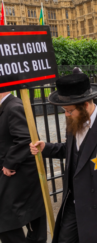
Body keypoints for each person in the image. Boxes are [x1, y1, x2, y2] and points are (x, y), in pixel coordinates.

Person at [30, 73, 97, 243]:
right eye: (65, 111)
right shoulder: (74, 122)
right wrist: (46, 147)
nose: (66, 115)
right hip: (74, 201)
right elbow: (71, 151)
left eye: (69, 111)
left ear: (85, 105)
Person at [0, 92, 47, 243]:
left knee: (6, 221)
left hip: (18, 173)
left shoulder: (13, 107)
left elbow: (25, 138)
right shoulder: (7, 106)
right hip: (14, 174)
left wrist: (9, 163)